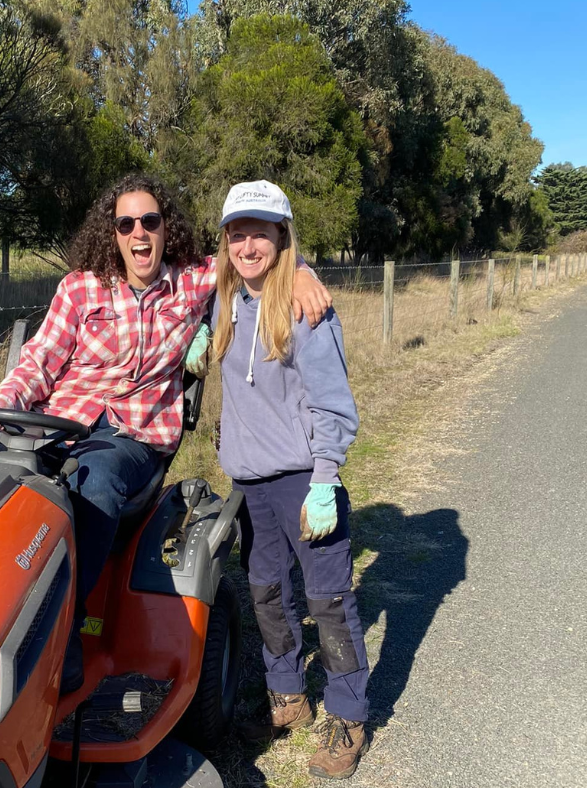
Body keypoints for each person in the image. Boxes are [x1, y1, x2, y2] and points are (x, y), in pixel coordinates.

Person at [0, 173, 331, 694]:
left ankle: (61, 631)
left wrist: (299, 271)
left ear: (167, 229)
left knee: (92, 484)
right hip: (61, 426)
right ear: (113, 233)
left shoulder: (191, 282)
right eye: (127, 223)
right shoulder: (81, 288)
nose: (139, 233)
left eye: (150, 221)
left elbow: (254, 256)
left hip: (133, 439)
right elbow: (38, 363)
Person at [208, 180, 369, 780]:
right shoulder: (224, 301)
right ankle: (287, 699)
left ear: (281, 235)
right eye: (237, 233)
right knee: (267, 594)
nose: (248, 245)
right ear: (225, 241)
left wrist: (326, 479)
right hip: (250, 486)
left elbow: (333, 402)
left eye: (261, 232)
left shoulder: (306, 308)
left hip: (304, 480)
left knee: (327, 599)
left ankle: (347, 713)